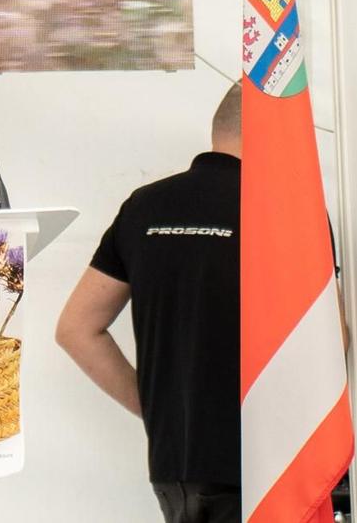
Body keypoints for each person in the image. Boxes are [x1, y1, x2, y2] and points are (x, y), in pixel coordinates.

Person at [54, 84, 243, 523]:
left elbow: (76, 329)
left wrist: (159, 410)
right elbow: (332, 340)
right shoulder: (285, 209)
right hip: (261, 459)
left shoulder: (145, 206)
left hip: (173, 466)